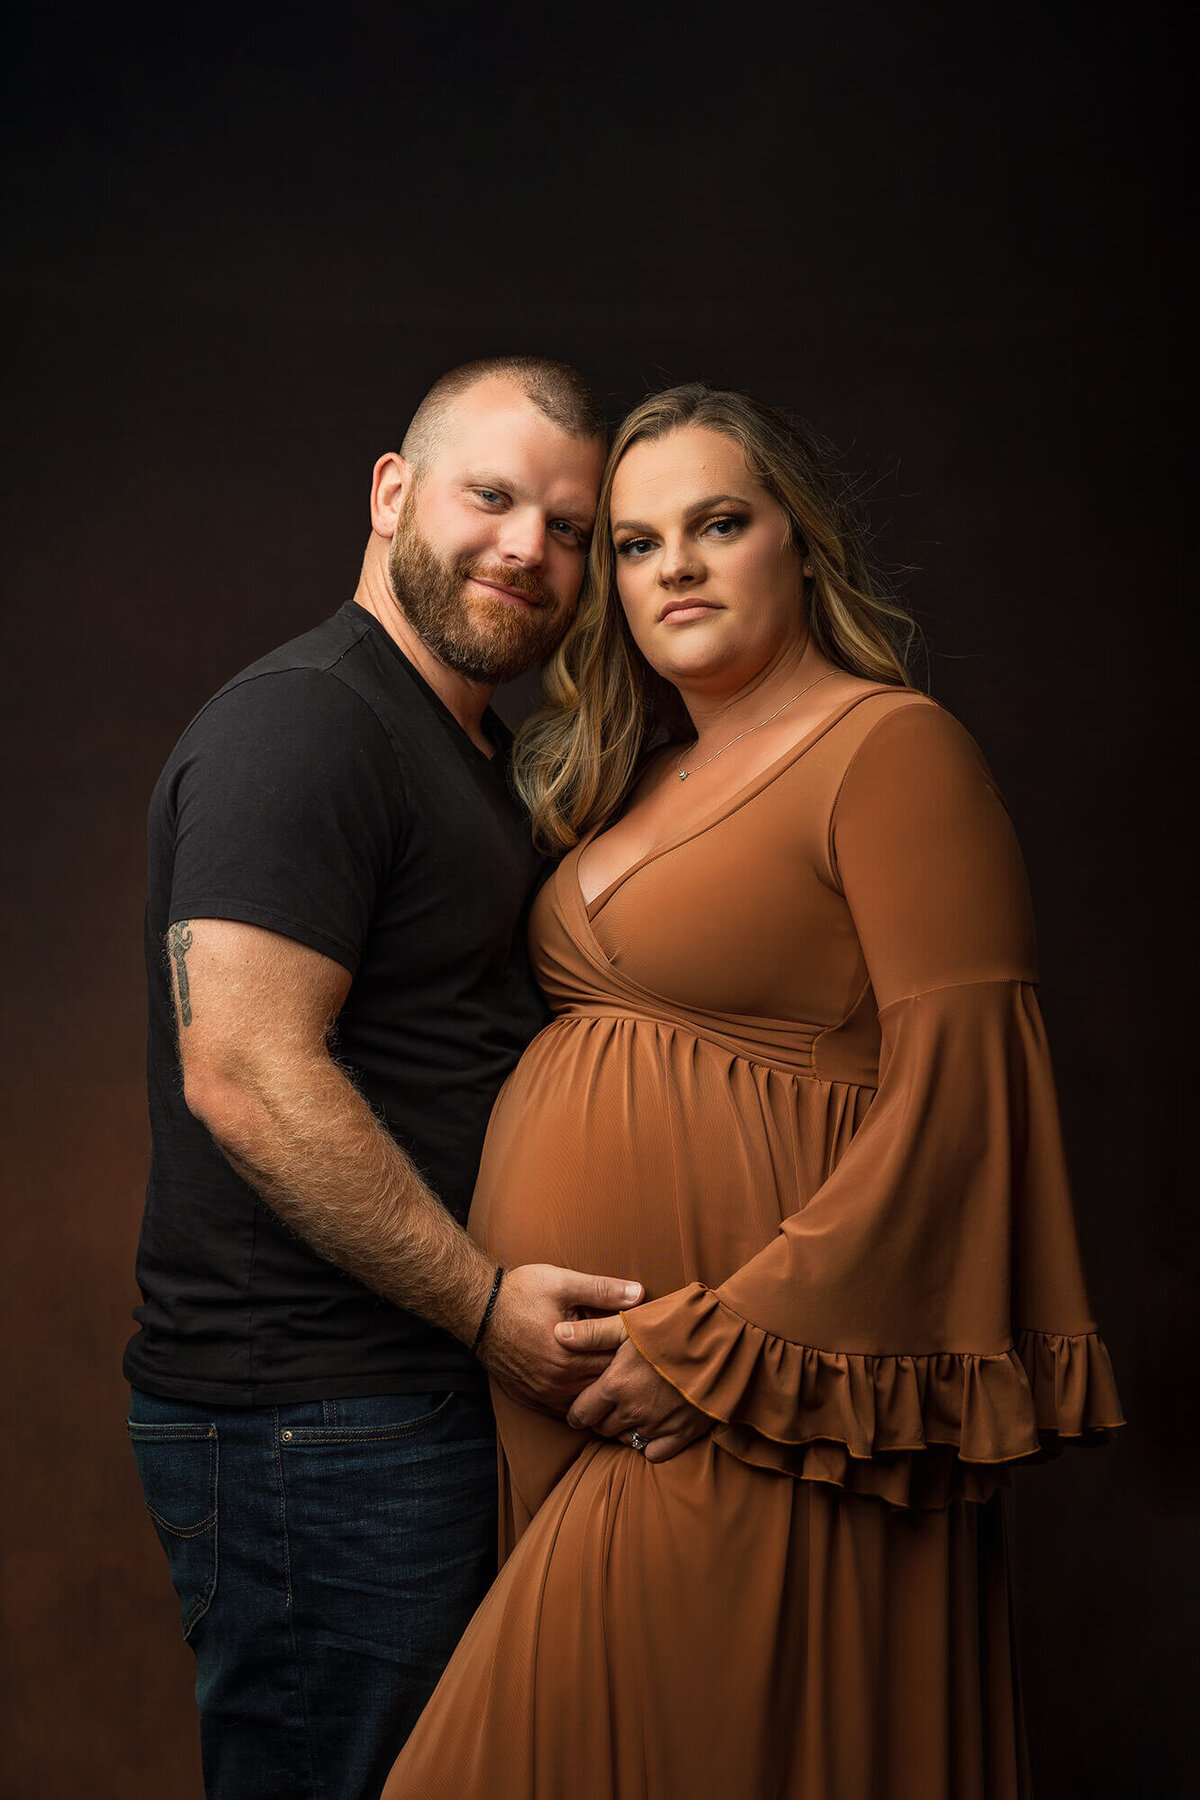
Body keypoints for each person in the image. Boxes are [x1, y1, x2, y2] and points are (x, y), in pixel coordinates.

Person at [384, 383, 1124, 1800]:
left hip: (759, 1399)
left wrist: (720, 1347)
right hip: (600, 1394)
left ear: (800, 543)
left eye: (719, 524)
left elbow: (964, 1110)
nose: (675, 567)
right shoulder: (633, 775)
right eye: (638, 541)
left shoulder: (893, 750)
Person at [123, 356, 646, 1800]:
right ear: (393, 494)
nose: (527, 550)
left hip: (395, 1402)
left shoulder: (465, 752)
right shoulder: (307, 724)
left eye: (570, 527)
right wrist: (484, 1306)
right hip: (313, 1417)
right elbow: (242, 1067)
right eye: (492, 497)